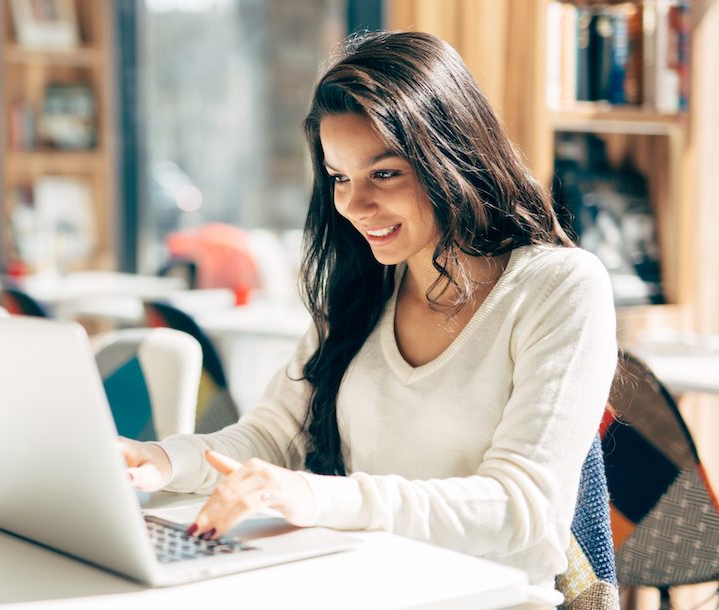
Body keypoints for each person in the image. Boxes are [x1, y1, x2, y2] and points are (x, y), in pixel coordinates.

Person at [119, 31, 617, 607]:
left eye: (384, 174)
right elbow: (270, 438)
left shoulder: (559, 288)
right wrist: (156, 461)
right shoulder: (364, 293)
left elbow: (520, 508)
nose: (353, 205)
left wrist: (318, 498)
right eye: (339, 177)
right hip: (365, 586)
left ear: (450, 158)